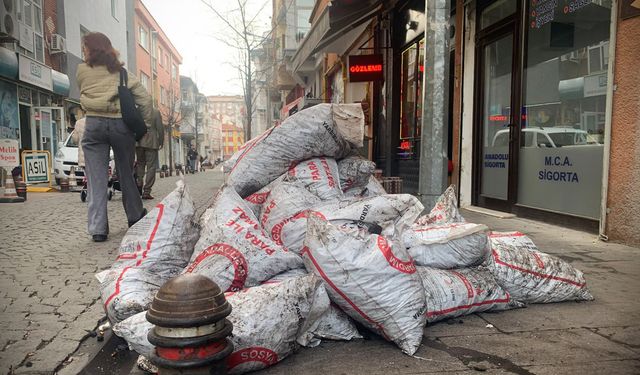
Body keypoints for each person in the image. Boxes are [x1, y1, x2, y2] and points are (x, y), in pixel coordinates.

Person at [77, 32, 153, 242]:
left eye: (84, 47)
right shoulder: (122, 73)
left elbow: (83, 91)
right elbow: (146, 101)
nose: (83, 50)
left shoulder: (81, 70)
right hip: (121, 126)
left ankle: (98, 229)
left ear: (90, 50)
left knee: (96, 178)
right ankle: (135, 217)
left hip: (93, 125)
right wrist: (144, 125)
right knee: (126, 173)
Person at [136, 108, 164, 199]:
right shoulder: (155, 112)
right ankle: (146, 191)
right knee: (151, 167)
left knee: (140, 164)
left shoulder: (138, 110)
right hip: (151, 142)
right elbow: (160, 128)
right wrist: (161, 141)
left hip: (139, 140)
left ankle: (139, 184)